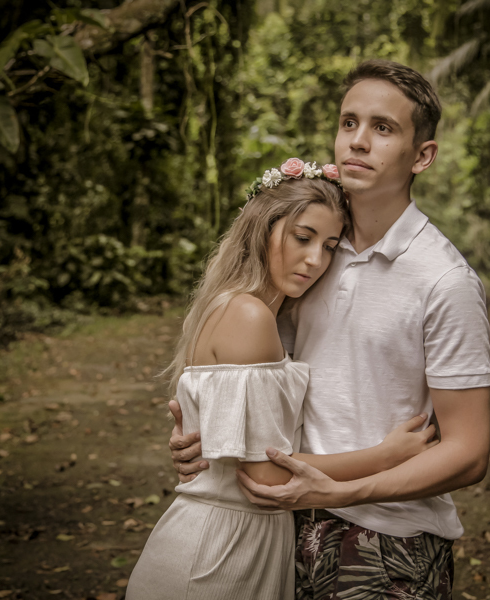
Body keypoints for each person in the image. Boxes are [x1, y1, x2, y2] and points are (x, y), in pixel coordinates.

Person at [171, 60, 490, 599]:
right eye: (349, 123)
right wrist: (203, 433)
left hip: (387, 541)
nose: (358, 142)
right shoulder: (311, 253)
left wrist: (348, 489)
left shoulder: (444, 280)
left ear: (423, 156)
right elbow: (254, 378)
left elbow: (468, 451)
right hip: (279, 526)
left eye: (383, 128)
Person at [126, 159, 438, 600]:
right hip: (218, 553)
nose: (315, 260)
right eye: (302, 237)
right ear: (262, 229)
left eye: (330, 246)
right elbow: (268, 475)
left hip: (246, 541)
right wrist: (386, 455)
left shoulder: (251, 311)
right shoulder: (249, 315)